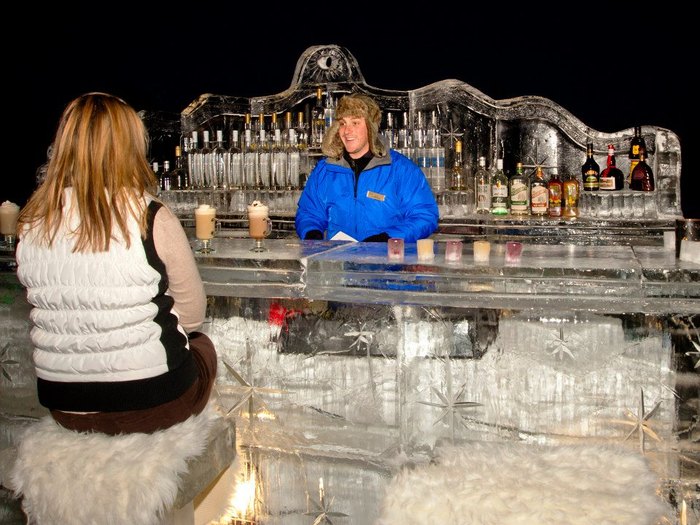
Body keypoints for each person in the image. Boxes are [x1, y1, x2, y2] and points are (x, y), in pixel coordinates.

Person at [15, 92, 217, 435]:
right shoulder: (150, 215)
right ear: (129, 146)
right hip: (154, 402)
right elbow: (193, 316)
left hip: (65, 405)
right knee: (203, 347)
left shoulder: (32, 221)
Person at [295, 93, 439, 243]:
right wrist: (312, 235)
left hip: (387, 263)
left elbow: (424, 216)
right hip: (338, 263)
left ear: (371, 127)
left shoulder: (401, 170)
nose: (347, 131)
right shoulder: (325, 170)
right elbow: (309, 213)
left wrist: (387, 238)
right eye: (343, 123)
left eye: (355, 123)